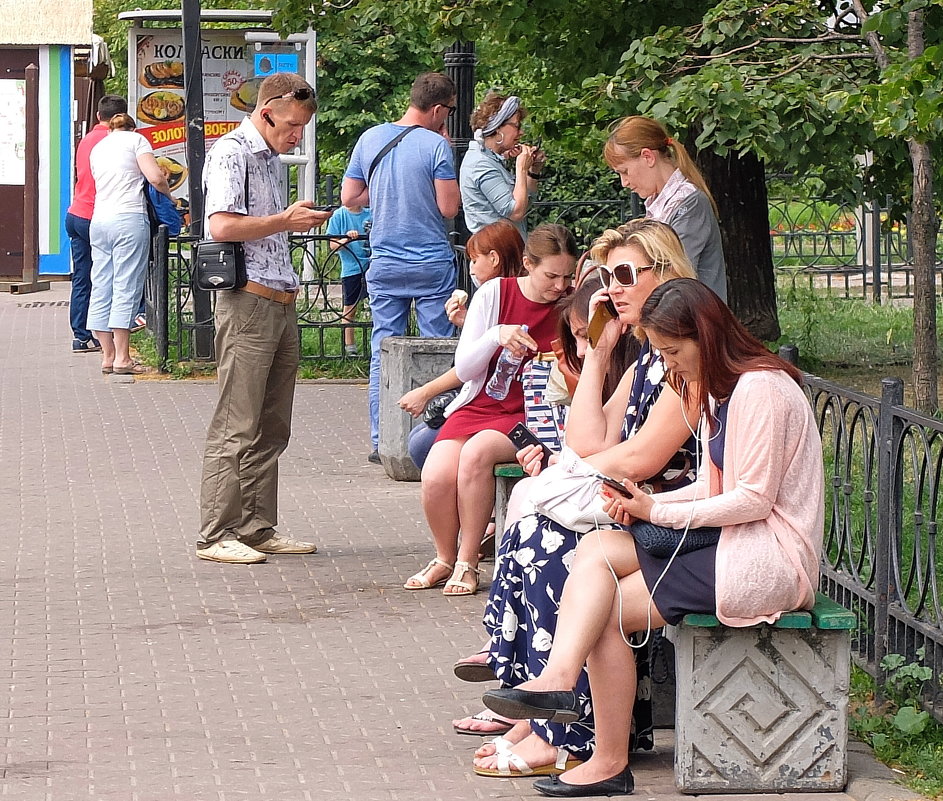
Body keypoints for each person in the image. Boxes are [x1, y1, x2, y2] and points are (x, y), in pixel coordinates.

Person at [481, 278, 824, 798]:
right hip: (728, 541)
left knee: (609, 611)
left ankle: (608, 759)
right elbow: (711, 486)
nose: (669, 365)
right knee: (594, 551)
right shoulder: (721, 388)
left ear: (705, 337)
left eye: (672, 351)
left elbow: (753, 499)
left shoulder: (762, 389)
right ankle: (558, 680)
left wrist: (656, 509)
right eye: (660, 352)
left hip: (765, 557)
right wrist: (638, 506)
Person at [456, 221, 699, 779]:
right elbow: (587, 440)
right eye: (607, 277)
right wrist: (599, 350)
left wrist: (573, 474)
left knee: (554, 545)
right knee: (529, 533)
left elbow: (642, 461)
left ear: (664, 273)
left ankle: (567, 733)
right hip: (632, 514)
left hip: (672, 522)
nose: (611, 289)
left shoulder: (684, 359)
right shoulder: (643, 359)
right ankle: (534, 711)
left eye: (624, 275)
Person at [195, 73, 331, 565]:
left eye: (303, 127)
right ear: (267, 110)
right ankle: (215, 532)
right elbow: (222, 225)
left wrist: (295, 223)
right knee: (237, 421)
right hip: (248, 301)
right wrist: (284, 221)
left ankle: (254, 526)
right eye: (292, 125)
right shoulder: (232, 152)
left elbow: (265, 228)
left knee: (272, 425)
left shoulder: (269, 158)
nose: (297, 136)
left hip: (279, 298)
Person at [404, 224, 578, 597]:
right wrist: (495, 335)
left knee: (478, 452)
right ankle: (443, 557)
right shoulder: (495, 293)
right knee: (436, 471)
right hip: (482, 403)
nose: (560, 285)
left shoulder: (570, 303)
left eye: (567, 275)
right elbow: (465, 368)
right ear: (528, 265)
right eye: (552, 275)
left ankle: (468, 561)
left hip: (535, 414)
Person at [341, 72, 461, 464]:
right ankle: (433, 437)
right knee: (438, 349)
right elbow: (448, 208)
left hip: (385, 261)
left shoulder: (370, 138)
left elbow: (351, 199)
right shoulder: (437, 146)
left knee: (383, 348)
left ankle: (381, 440)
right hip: (430, 262)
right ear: (439, 109)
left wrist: (389, 193)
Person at [399, 220, 526, 470]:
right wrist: (468, 322)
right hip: (485, 402)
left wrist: (425, 392)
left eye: (475, 259)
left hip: (497, 407)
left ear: (494, 258)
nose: (470, 268)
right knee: (418, 440)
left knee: (423, 444)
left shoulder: (502, 294)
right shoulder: (489, 296)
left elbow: (472, 367)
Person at [604, 116, 728, 301]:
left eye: (624, 171)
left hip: (695, 324)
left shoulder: (689, 204)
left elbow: (671, 277)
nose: (624, 182)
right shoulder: (662, 205)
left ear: (648, 157)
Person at [87, 113, 173, 375]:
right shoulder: (137, 141)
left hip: (99, 220)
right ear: (133, 128)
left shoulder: (98, 147)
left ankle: (107, 355)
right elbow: (155, 178)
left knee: (102, 284)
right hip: (128, 218)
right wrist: (169, 195)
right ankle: (123, 358)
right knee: (126, 285)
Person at [65, 94, 128, 354]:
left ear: (98, 116)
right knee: (109, 278)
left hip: (76, 212)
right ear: (119, 118)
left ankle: (80, 336)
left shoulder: (86, 140)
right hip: (100, 215)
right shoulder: (117, 140)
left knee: (82, 278)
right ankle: (112, 339)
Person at [460, 91, 545, 238]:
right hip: (496, 255)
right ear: (498, 127)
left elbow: (524, 205)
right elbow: (515, 212)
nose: (521, 132)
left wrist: (533, 170)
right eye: (517, 126)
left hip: (508, 252)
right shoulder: (481, 165)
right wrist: (521, 168)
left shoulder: (491, 159)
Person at [326, 203, 372, 356]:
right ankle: (349, 348)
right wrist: (346, 238)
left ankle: (377, 345)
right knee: (350, 309)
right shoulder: (339, 215)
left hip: (373, 266)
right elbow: (332, 244)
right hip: (352, 268)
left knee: (379, 306)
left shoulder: (370, 213)